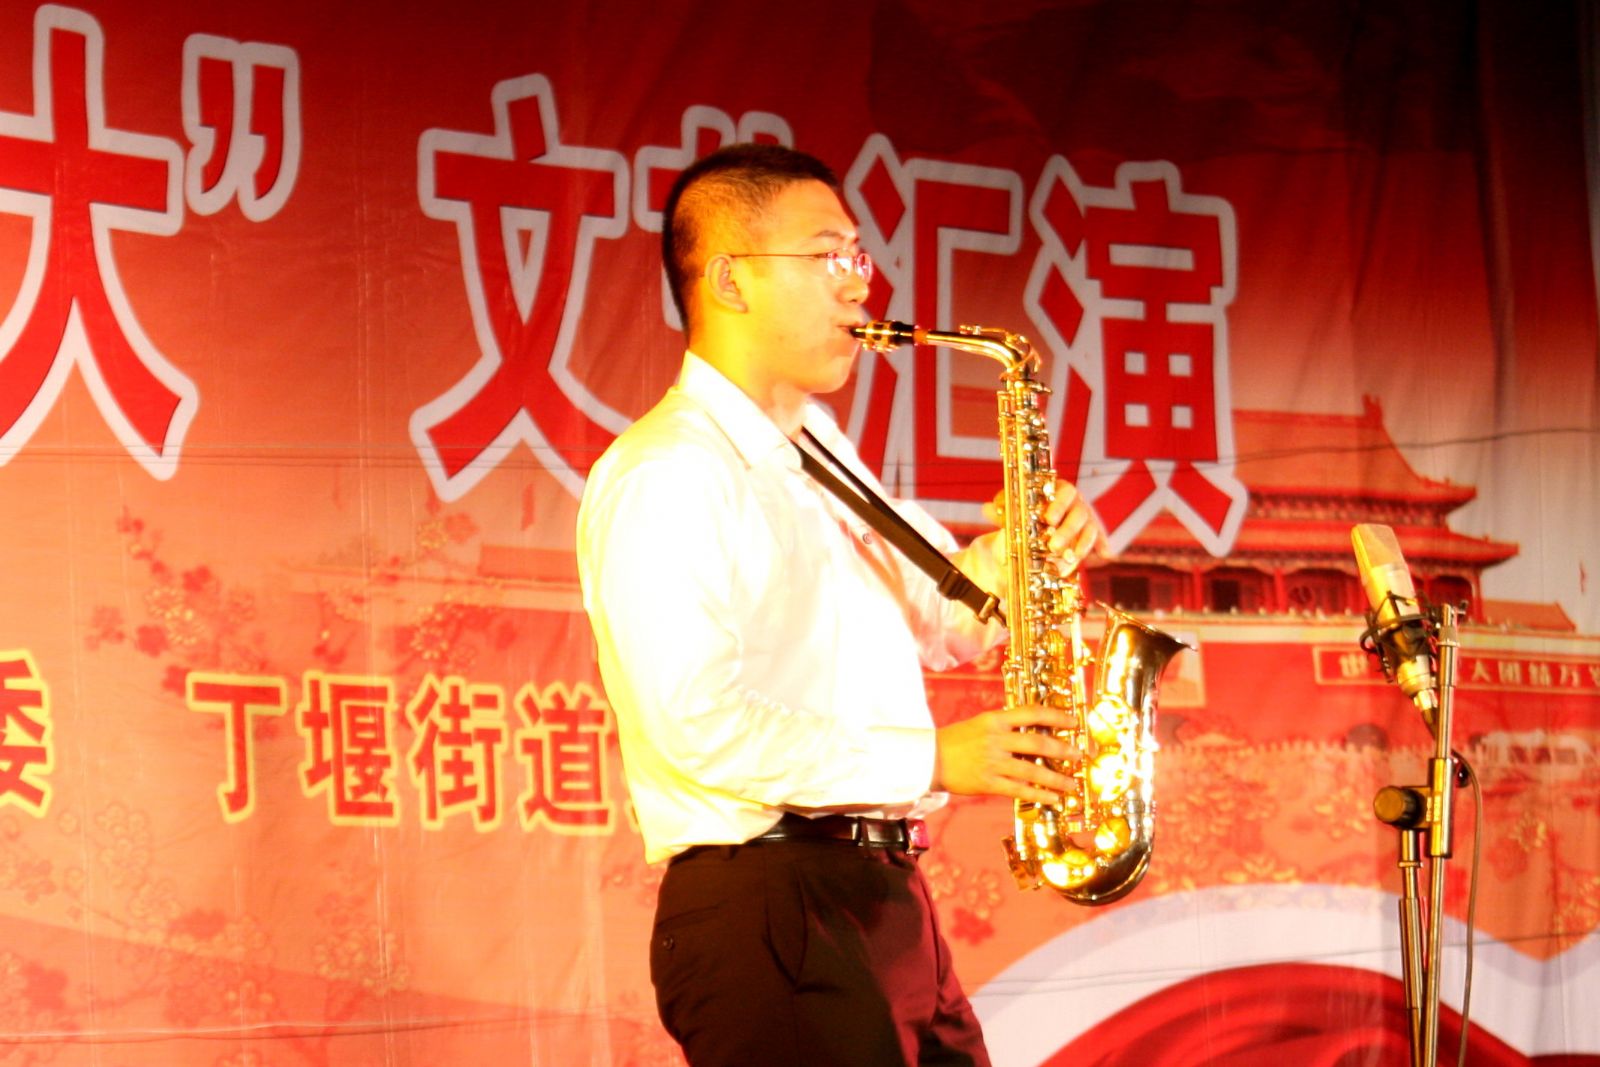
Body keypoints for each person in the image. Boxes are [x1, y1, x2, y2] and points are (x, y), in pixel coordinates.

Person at [576, 143, 1100, 1067]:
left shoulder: (816, 445)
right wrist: (936, 756)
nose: (861, 283)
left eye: (858, 256)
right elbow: (697, 724)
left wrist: (1029, 552)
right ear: (731, 280)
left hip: (880, 894)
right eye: (830, 256)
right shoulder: (668, 472)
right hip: (774, 903)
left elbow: (950, 619)